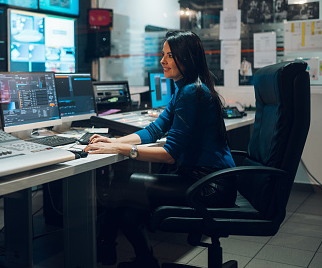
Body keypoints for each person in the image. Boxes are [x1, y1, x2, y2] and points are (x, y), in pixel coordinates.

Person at [84, 30, 237, 268]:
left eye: (169, 55)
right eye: (162, 54)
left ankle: (109, 248)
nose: (162, 61)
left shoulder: (191, 92)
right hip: (204, 178)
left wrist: (125, 150)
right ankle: (129, 254)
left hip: (209, 185)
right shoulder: (186, 89)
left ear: (185, 58)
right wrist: (114, 143)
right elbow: (155, 130)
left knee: (124, 188)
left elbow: (169, 155)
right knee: (126, 203)